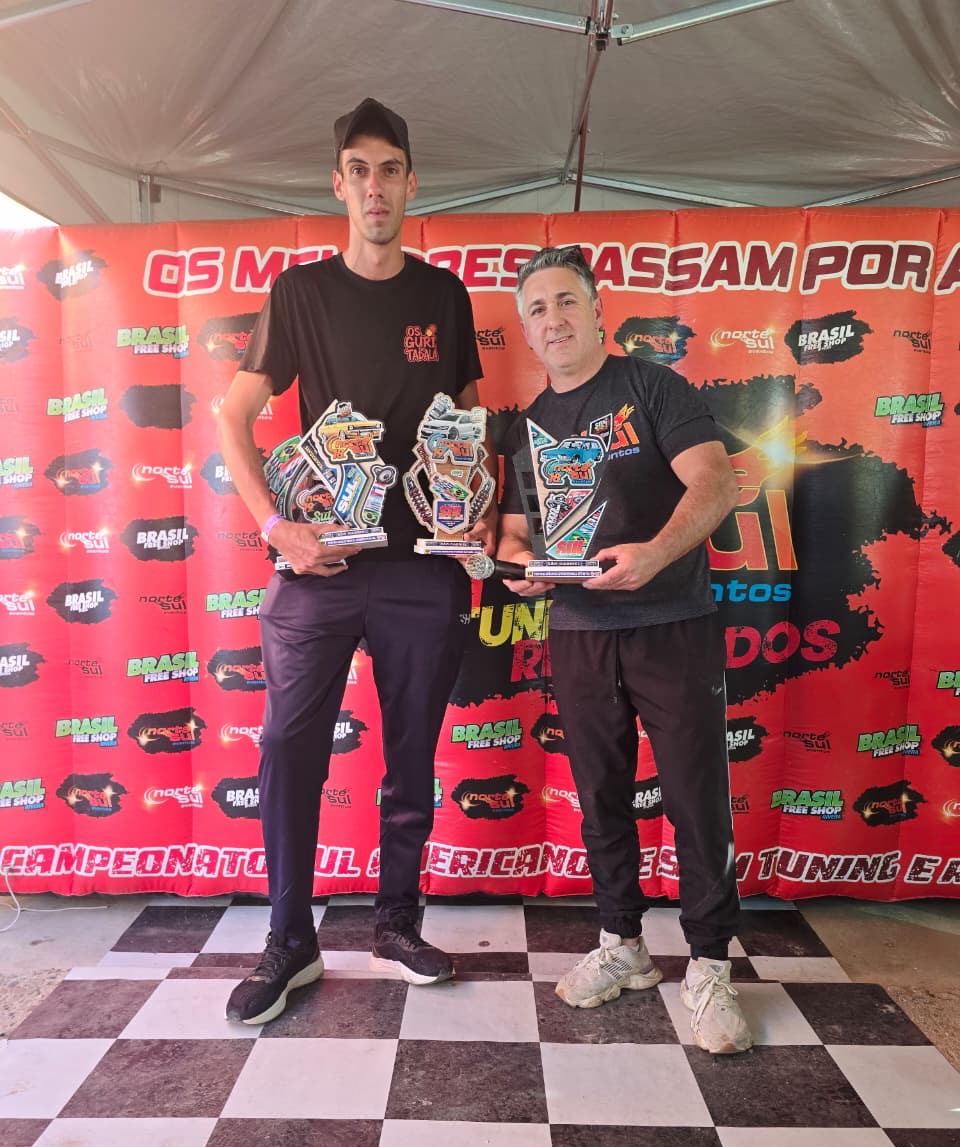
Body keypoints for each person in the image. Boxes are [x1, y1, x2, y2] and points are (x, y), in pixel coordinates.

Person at [217, 99, 492, 1025]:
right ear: (339, 185)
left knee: (411, 752)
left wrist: (478, 508)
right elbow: (231, 415)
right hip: (322, 561)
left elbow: (469, 423)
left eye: (391, 170)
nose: (376, 187)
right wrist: (275, 526)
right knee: (287, 747)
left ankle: (396, 923)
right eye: (360, 171)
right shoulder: (299, 293)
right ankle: (289, 942)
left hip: (423, 567)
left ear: (412, 184)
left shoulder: (445, 296)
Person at [497, 245, 752, 1053]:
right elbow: (515, 533)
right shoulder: (529, 425)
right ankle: (623, 944)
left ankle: (709, 964)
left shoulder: (653, 386)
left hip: (671, 621)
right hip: (577, 631)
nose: (554, 319)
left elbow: (716, 482)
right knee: (601, 798)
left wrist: (655, 553)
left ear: (598, 310)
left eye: (566, 301)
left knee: (695, 797)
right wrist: (518, 570)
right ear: (526, 331)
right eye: (537, 309)